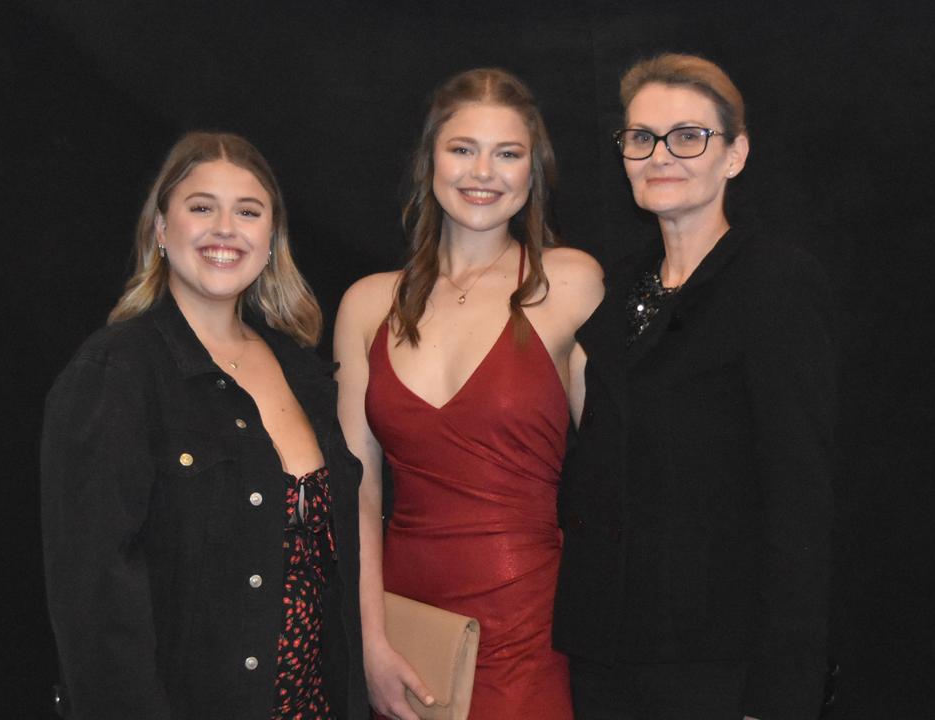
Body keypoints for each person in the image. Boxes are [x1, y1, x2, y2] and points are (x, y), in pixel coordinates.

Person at [41, 131, 367, 719]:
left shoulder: (301, 370)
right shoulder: (117, 372)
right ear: (161, 230)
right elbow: (93, 603)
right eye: (200, 208)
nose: (225, 228)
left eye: (248, 211)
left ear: (271, 239)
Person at [553, 54, 835, 720]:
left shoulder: (774, 283)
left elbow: (800, 503)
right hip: (605, 651)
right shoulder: (617, 288)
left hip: (718, 661)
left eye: (688, 136)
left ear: (733, 155)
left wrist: (779, 693)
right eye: (640, 137)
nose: (660, 155)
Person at [334, 69, 603, 720]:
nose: (483, 171)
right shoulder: (368, 303)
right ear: (429, 160)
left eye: (507, 153)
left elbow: (616, 476)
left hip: (530, 625)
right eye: (462, 148)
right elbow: (357, 493)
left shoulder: (570, 282)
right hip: (404, 625)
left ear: (532, 171)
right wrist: (368, 644)